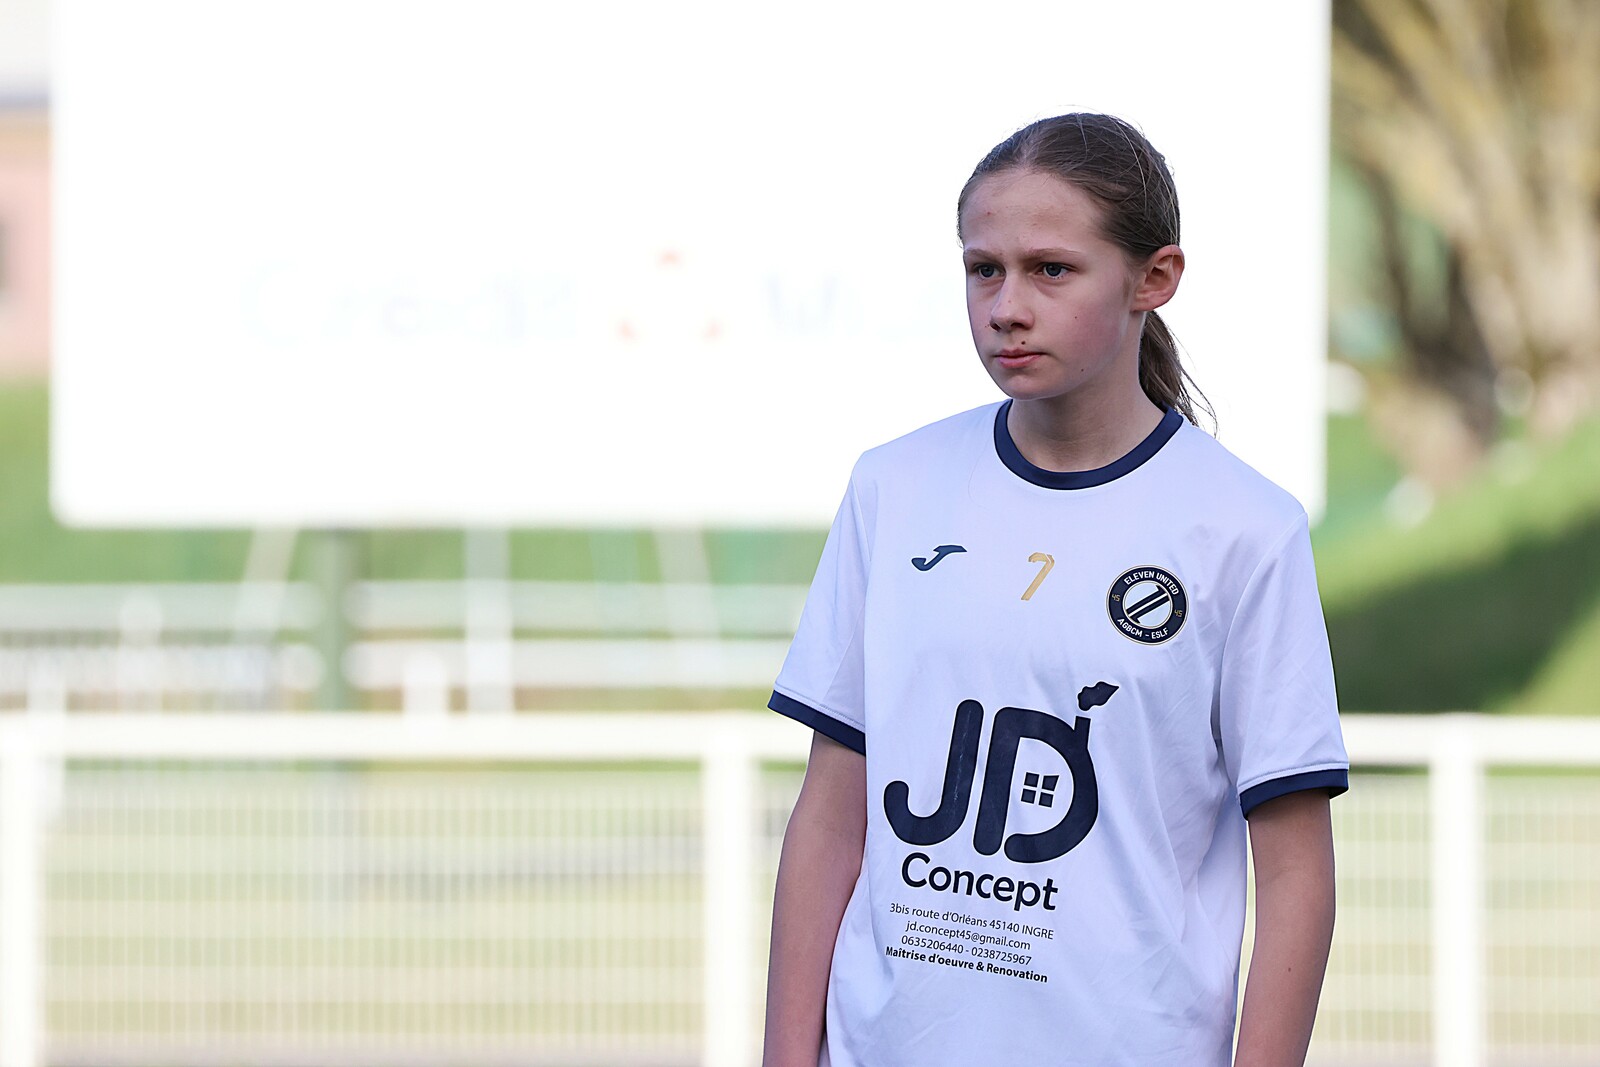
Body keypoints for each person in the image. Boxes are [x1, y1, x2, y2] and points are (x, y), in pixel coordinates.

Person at [761, 113, 1347, 1067]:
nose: (1006, 306)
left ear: (1154, 278)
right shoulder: (893, 487)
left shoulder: (1246, 528)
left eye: (1051, 269)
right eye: (983, 269)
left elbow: (1296, 871)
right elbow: (831, 814)